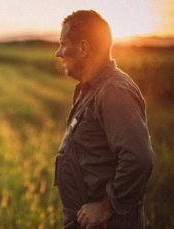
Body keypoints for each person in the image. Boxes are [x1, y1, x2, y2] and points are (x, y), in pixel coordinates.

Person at [54, 10, 155, 229]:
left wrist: (105, 207)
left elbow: (139, 158)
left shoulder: (113, 91)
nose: (58, 53)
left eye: (63, 44)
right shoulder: (89, 89)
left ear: (83, 48)